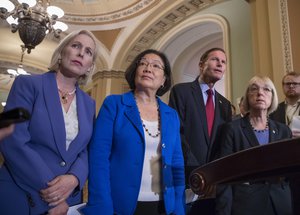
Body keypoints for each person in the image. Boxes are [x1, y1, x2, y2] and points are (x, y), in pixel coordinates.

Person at [0, 29, 99, 214]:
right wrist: (54, 195)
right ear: (62, 52)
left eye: (88, 52)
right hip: (21, 193)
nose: (81, 53)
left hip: (69, 199)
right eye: (76, 46)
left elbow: (86, 149)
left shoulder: (89, 103)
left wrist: (75, 178)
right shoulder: (26, 83)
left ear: (89, 66)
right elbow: (12, 139)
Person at [81, 49, 185, 215]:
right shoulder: (114, 105)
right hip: (119, 205)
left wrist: (179, 206)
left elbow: (177, 162)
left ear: (164, 80)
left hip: (164, 207)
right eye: (143, 63)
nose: (148, 68)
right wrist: (102, 205)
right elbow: (98, 157)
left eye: (156, 66)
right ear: (135, 72)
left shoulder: (171, 115)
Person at [214, 76, 293, 215]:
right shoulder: (232, 129)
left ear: (272, 97)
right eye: (254, 89)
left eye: (266, 89)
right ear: (247, 96)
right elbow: (224, 175)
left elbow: (289, 173)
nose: (260, 93)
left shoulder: (283, 130)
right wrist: (223, 211)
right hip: (246, 204)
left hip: (280, 203)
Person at [168, 47, 232, 214]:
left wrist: (213, 174)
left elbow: (225, 142)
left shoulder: (225, 105)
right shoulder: (181, 91)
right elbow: (177, 132)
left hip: (213, 183)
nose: (220, 64)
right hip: (186, 176)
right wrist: (198, 171)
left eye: (223, 62)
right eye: (215, 59)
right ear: (201, 64)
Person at [269, 71, 300, 214]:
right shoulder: (274, 110)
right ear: (282, 87)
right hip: (282, 164)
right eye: (288, 84)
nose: (291, 86)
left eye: (295, 83)